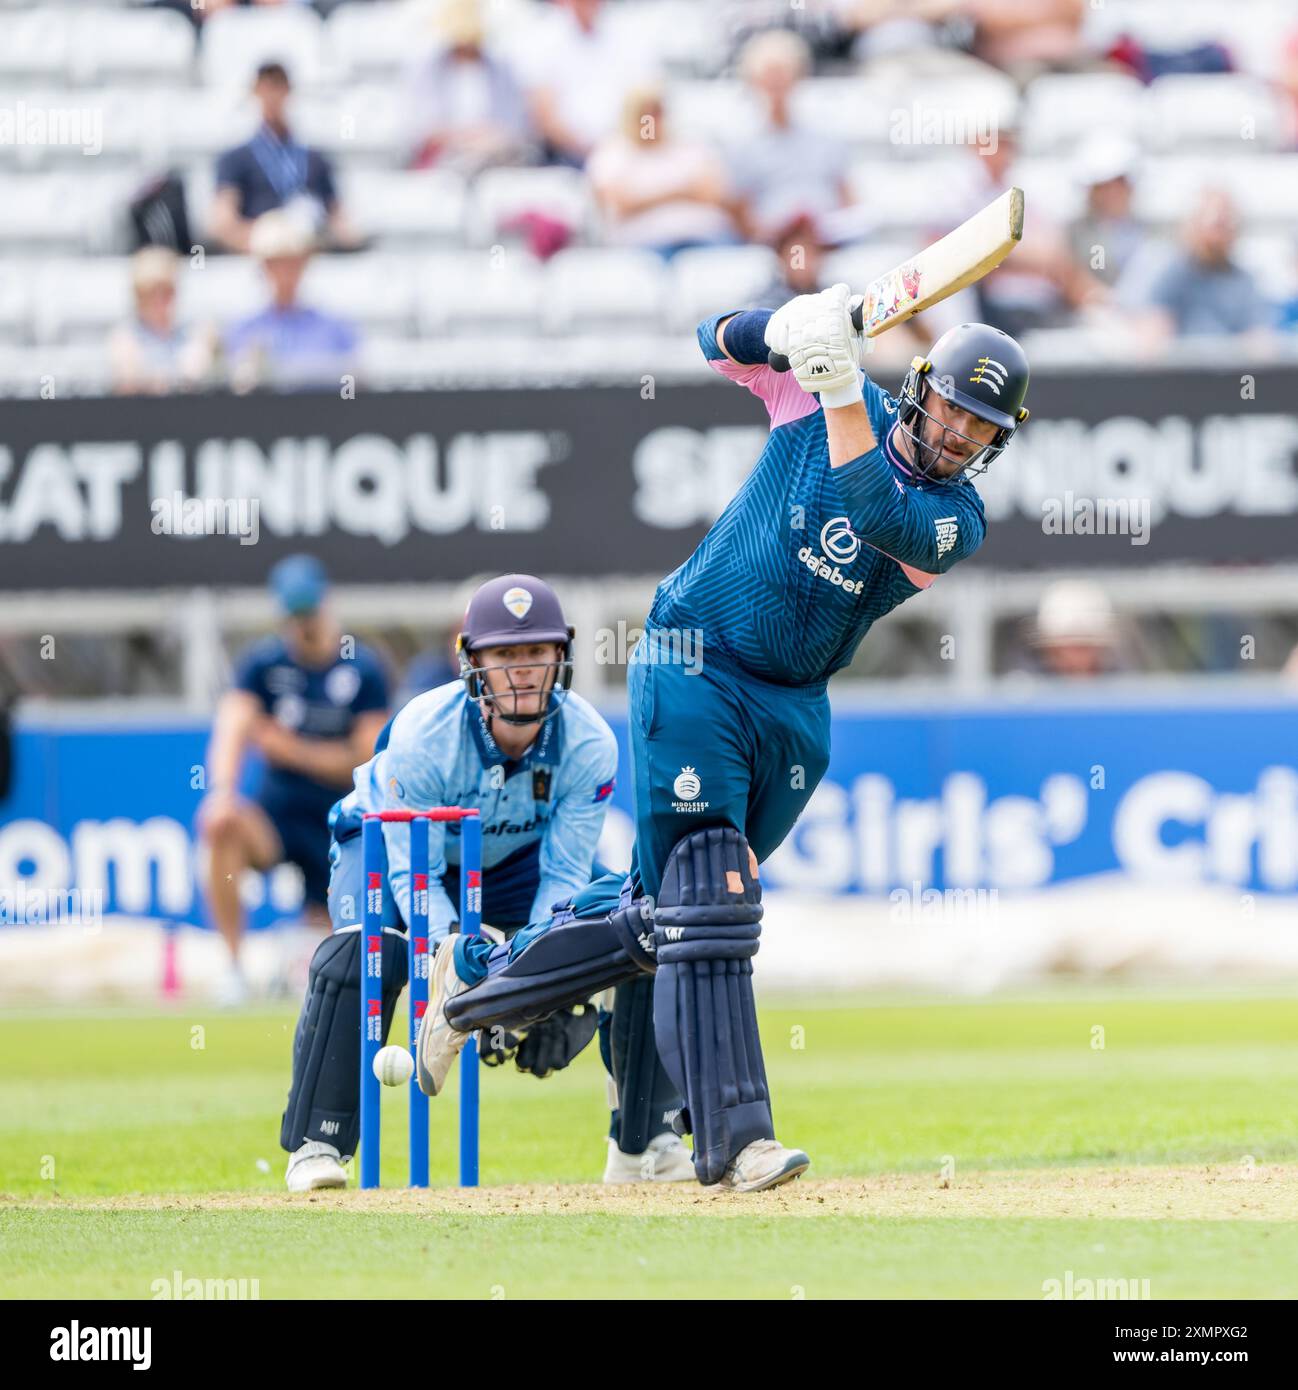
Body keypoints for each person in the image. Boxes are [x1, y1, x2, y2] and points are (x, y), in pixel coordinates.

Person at [419, 290, 1031, 1193]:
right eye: (951, 411)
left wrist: (836, 387)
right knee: (713, 896)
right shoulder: (821, 398)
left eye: (980, 432)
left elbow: (874, 511)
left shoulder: (955, 523)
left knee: (665, 912)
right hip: (694, 658)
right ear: (923, 390)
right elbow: (712, 342)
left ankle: (485, 997)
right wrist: (785, 328)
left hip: (793, 710)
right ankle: (735, 1140)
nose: (956, 438)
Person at [282, 575, 691, 1191]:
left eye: (536, 654)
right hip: (386, 845)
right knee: (363, 950)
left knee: (634, 929)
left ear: (561, 657)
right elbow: (413, 879)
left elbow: (561, 877)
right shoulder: (424, 735)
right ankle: (319, 1144)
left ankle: (645, 1142)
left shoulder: (588, 743)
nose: (522, 671)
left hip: (512, 859)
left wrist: (538, 989)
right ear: (472, 663)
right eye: (504, 656)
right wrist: (477, 982)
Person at [199, 556, 390, 1007]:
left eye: (310, 612)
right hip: (278, 818)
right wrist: (222, 793)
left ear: (326, 604)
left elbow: (364, 756)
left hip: (345, 823)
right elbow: (233, 726)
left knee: (330, 957)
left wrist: (288, 748)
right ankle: (233, 968)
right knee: (221, 824)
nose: (303, 625)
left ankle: (308, 958)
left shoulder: (363, 668)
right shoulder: (262, 665)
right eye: (294, 615)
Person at [211, 61, 360, 253]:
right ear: (255, 93)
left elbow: (338, 218)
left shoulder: (315, 159)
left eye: (278, 87)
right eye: (266, 88)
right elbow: (223, 223)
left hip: (309, 254)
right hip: (259, 255)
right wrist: (271, 240)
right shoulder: (235, 159)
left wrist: (318, 239)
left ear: (289, 92)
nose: (273, 96)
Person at [587, 84, 741, 258]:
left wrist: (647, 197)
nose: (651, 121)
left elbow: (713, 194)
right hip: (644, 245)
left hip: (705, 237)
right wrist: (683, 192)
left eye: (656, 113)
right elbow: (621, 203)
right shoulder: (613, 152)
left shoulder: (692, 145)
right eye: (644, 114)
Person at [728, 29, 851, 242]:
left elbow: (847, 198)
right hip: (774, 243)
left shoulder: (827, 135)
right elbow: (740, 212)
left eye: (782, 74)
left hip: (827, 240)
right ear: (753, 81)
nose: (776, 84)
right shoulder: (741, 143)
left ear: (798, 77)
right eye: (769, 76)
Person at [224, 211, 360, 391]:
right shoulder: (242, 331)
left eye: (293, 262)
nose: (285, 273)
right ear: (264, 267)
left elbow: (354, 385)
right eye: (276, 264)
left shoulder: (336, 329)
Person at [513, 0, 659, 168]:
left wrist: (646, 145)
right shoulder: (542, 40)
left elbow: (649, 104)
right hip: (568, 159)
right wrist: (596, 155)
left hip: (626, 154)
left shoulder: (629, 34)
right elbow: (545, 118)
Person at [1123, 190, 1270, 352]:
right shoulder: (1167, 271)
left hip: (1228, 374)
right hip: (1180, 373)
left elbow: (1259, 340)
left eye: (1225, 225)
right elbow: (1152, 332)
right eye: (1214, 224)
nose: (1217, 236)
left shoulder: (1244, 282)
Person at [405, 0, 534, 173]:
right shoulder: (429, 70)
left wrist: (488, 140)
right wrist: (467, 137)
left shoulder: (501, 70)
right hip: (444, 162)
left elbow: (517, 126)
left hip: (495, 161)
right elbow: (422, 128)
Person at [108, 247, 214, 395]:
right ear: (138, 296)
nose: (159, 301)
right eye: (151, 293)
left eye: (166, 291)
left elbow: (195, 373)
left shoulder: (193, 332)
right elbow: (129, 380)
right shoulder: (125, 335)